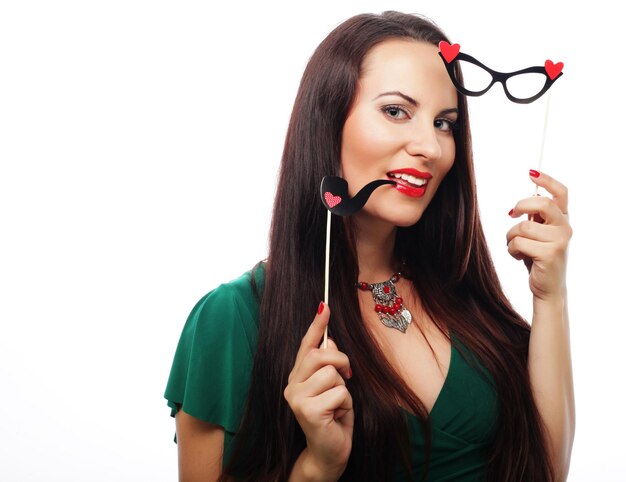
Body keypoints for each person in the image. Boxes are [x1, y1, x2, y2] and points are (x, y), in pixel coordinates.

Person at [164, 11, 574, 482]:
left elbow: (547, 472)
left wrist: (551, 297)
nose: (431, 147)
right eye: (396, 111)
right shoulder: (233, 318)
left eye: (445, 122)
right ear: (328, 121)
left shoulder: (462, 295)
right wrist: (317, 467)